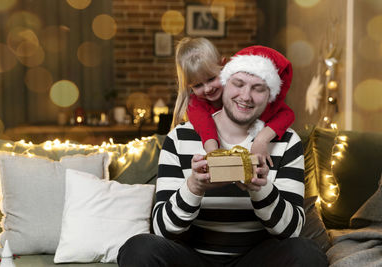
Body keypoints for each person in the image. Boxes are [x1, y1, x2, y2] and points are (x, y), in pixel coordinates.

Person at [117, 46, 328, 266]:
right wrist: (194, 187)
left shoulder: (286, 141)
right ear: (225, 82)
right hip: (193, 258)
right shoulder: (179, 138)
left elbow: (292, 231)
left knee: (307, 252)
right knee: (139, 248)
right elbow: (162, 229)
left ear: (270, 96)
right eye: (238, 84)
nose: (245, 96)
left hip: (256, 258)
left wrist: (260, 188)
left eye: (258, 88)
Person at [171, 37, 295, 166]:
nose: (207, 89)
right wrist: (214, 156)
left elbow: (287, 113)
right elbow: (205, 127)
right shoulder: (195, 104)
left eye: (211, 78)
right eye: (197, 86)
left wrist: (261, 140)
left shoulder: (241, 93)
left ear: (224, 65)